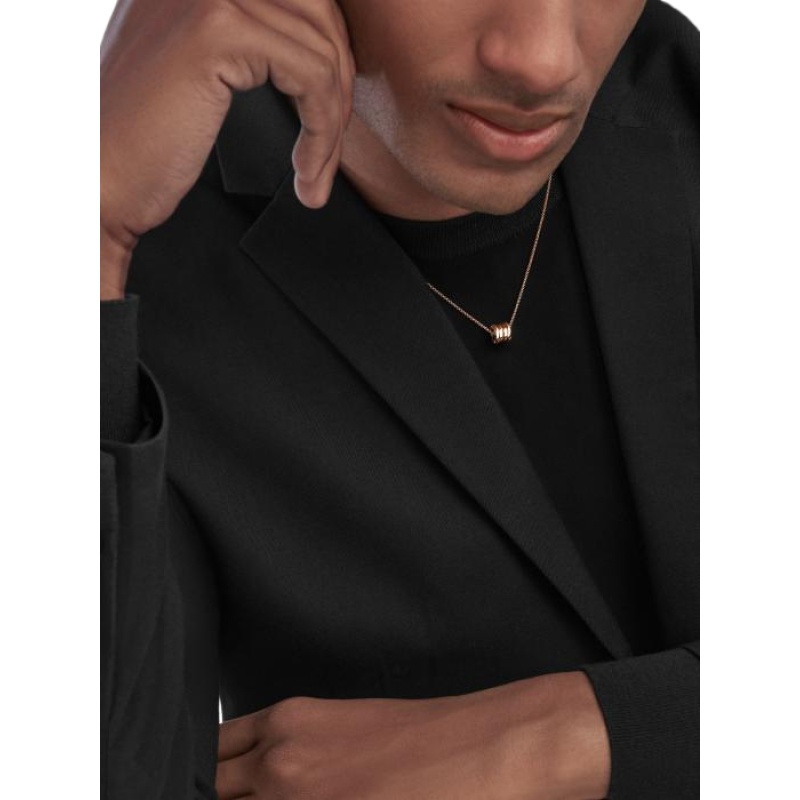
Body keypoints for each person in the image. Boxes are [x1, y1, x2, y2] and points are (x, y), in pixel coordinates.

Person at [100, 0, 699, 797]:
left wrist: (561, 737)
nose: (543, 62)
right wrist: (89, 231)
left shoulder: (706, 108)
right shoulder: (145, 262)